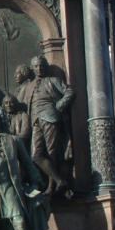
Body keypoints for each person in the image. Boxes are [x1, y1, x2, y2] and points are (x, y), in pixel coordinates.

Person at [22, 56, 75, 194]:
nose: (39, 68)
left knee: (52, 153)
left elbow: (69, 92)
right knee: (36, 155)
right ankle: (59, 181)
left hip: (50, 118)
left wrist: (60, 105)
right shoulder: (29, 86)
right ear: (32, 68)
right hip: (35, 121)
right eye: (36, 66)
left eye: (41, 66)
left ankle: (51, 187)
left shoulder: (53, 81)